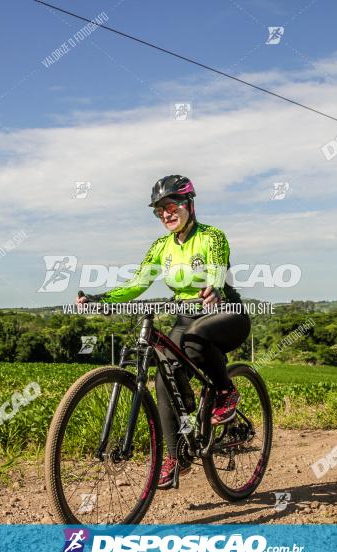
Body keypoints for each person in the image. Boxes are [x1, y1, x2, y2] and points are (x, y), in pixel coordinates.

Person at [76, 175, 250, 489]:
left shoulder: (211, 236)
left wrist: (213, 287)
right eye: (160, 211)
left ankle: (227, 391)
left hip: (225, 313)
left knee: (195, 340)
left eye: (171, 206)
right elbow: (136, 285)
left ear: (189, 205)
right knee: (162, 375)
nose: (166, 214)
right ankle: (176, 455)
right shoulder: (161, 247)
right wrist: (99, 298)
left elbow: (215, 269)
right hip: (186, 316)